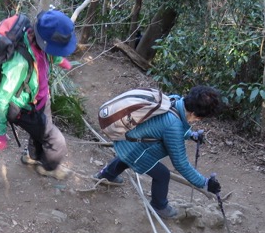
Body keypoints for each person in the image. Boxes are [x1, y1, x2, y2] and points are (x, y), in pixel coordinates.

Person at [93, 85, 223, 219]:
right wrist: (205, 183)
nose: (198, 121)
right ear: (194, 114)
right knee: (162, 174)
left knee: (127, 157)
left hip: (129, 140)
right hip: (135, 148)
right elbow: (181, 163)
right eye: (200, 119)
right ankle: (159, 206)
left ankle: (106, 175)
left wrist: (191, 135)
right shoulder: (173, 126)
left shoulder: (174, 100)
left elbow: (173, 124)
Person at [0, 9, 76, 179]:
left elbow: (47, 54)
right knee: (56, 141)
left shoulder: (37, 41)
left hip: (41, 100)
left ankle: (32, 156)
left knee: (40, 132)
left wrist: (60, 60)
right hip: (24, 109)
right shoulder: (19, 63)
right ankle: (49, 168)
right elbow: (2, 98)